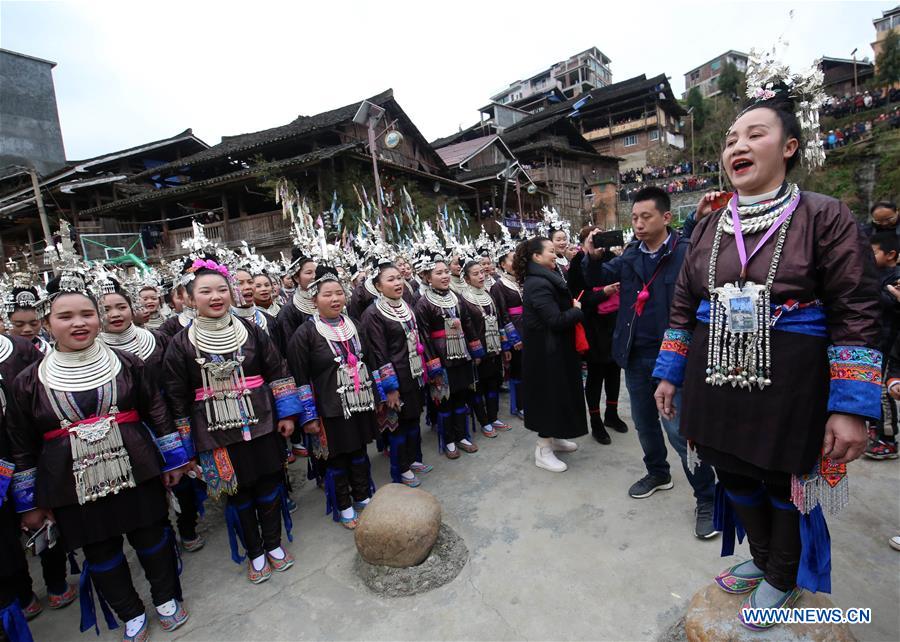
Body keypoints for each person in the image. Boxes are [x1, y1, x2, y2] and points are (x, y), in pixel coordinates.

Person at [653, 77, 881, 628]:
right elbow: (684, 304)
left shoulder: (825, 216)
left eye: (754, 134)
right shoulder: (708, 225)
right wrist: (669, 372)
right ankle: (761, 559)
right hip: (715, 372)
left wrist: (851, 404)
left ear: (789, 147)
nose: (736, 146)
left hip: (792, 380)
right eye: (731, 139)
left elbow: (856, 308)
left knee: (782, 477)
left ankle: (782, 573)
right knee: (729, 468)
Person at [8, 269, 191, 641]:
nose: (79, 323)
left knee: (152, 535)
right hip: (71, 482)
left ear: (99, 317)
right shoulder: (28, 380)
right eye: (65, 316)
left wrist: (174, 459)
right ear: (47, 323)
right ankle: (129, 611)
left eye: (87, 314)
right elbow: (21, 443)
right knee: (100, 550)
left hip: (136, 465)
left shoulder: (127, 362)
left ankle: (165, 596)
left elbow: (156, 409)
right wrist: (28, 502)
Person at [583, 186, 717, 538]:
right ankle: (658, 473)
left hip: (673, 358)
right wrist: (591, 256)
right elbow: (597, 279)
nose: (639, 224)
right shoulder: (630, 255)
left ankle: (708, 496)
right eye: (635, 218)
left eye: (646, 217)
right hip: (635, 353)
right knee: (644, 422)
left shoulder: (687, 253)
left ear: (666, 217)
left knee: (679, 431)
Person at [163, 255, 300, 583]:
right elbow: (176, 397)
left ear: (232, 292)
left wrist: (287, 413)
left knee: (269, 484)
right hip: (213, 432)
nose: (215, 297)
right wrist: (185, 447)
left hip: (262, 421)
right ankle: (254, 552)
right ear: (190, 298)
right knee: (238, 494)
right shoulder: (180, 346)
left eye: (222, 290)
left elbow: (277, 369)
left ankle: (273, 543)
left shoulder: (252, 330)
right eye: (206, 291)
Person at [287, 264, 377, 529]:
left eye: (339, 293)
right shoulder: (304, 334)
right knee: (336, 458)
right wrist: (308, 416)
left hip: (358, 402)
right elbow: (299, 378)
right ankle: (344, 504)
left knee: (359, 451)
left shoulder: (355, 325)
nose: (335, 299)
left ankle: (362, 495)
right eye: (327, 294)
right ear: (314, 300)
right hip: (328, 408)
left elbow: (368, 360)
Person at [0, 331, 75, 630]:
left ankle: (56, 581)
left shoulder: (19, 347)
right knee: (5, 540)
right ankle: (22, 592)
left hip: (22, 449)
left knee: (40, 518)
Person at [515, 236, 587, 472]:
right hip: (545, 354)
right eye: (550, 251)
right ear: (536, 256)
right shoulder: (537, 283)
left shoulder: (548, 277)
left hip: (555, 349)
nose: (554, 254)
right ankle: (543, 449)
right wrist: (576, 311)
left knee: (560, 395)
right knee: (549, 397)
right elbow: (554, 320)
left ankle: (555, 438)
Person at [360, 261, 431, 487]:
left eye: (399, 277)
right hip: (395, 376)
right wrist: (389, 387)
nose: (398, 282)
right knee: (398, 423)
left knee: (412, 417)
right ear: (378, 286)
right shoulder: (372, 314)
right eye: (390, 279)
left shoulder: (405, 304)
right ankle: (401, 468)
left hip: (413, 371)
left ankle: (413, 459)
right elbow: (378, 353)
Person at [414, 252, 481, 459]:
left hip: (461, 353)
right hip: (441, 357)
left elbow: (468, 323)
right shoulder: (423, 304)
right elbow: (424, 336)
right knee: (445, 400)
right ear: (427, 277)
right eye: (438, 273)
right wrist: (433, 364)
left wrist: (475, 348)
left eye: (445, 272)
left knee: (461, 397)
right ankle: (449, 440)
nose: (444, 276)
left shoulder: (456, 297)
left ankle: (462, 436)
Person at [567, 225, 627, 444]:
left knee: (614, 370)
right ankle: (595, 421)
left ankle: (612, 414)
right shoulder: (577, 262)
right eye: (596, 237)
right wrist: (603, 293)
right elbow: (577, 298)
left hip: (614, 323)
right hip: (592, 326)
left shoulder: (611, 256)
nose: (601, 241)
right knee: (595, 374)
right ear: (586, 241)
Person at [459, 256, 511, 439]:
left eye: (481, 272)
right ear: (466, 279)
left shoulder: (488, 294)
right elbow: (466, 328)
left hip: (494, 348)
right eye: (475, 274)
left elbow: (497, 321)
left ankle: (493, 416)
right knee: (478, 387)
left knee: (493, 383)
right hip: (477, 352)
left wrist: (503, 346)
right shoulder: (462, 300)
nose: (481, 276)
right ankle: (484, 421)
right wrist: (476, 351)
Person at [867, 231, 900, 460]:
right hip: (877, 341)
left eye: (874, 251)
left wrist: (880, 292)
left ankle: (888, 438)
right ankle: (875, 426)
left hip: (890, 344)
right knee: (872, 384)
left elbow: (889, 302)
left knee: (884, 390)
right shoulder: (878, 275)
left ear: (891, 254)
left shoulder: (895, 276)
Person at [490, 239, 525, 419]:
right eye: (512, 259)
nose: (516, 262)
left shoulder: (523, 280)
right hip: (515, 333)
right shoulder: (498, 286)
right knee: (518, 369)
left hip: (528, 328)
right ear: (503, 264)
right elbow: (501, 316)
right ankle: (519, 406)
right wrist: (512, 339)